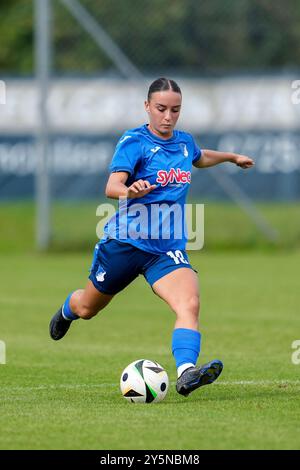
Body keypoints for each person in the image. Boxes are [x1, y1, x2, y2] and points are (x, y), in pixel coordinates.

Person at [49, 77, 254, 397]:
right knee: (89, 308)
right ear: (147, 107)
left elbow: (199, 157)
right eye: (161, 109)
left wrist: (231, 157)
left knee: (190, 303)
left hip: (166, 250)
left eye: (175, 110)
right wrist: (129, 190)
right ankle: (67, 310)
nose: (168, 116)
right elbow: (111, 185)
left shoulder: (184, 142)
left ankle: (187, 373)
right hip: (124, 243)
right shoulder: (134, 141)